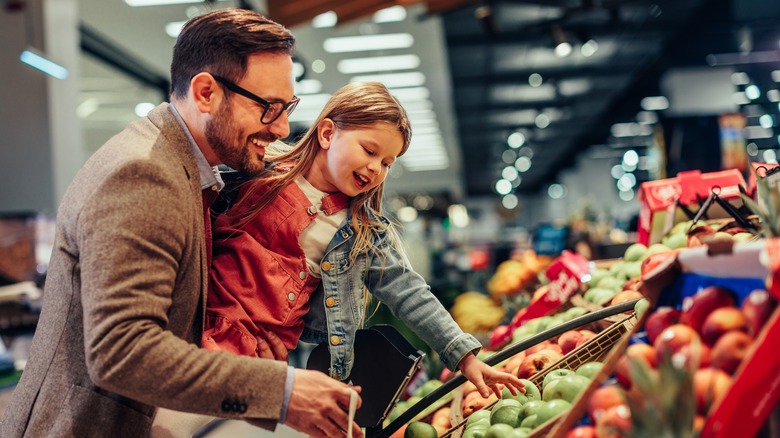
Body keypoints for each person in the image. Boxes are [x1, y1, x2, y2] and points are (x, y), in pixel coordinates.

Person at [0, 8, 362, 438]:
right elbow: (122, 351)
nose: (282, 128)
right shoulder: (145, 174)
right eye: (269, 108)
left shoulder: (185, 171)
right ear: (206, 92)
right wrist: (282, 393)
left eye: (288, 108)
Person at [204, 81, 525, 400]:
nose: (376, 168)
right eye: (370, 151)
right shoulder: (257, 174)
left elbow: (408, 291)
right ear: (327, 133)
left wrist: (464, 356)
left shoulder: (362, 231)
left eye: (387, 162)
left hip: (263, 361)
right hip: (196, 333)